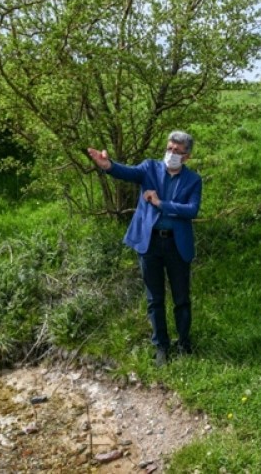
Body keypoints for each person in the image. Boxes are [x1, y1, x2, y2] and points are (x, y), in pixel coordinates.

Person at [87, 131, 202, 367]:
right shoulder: (150, 168)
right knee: (154, 298)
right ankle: (161, 345)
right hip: (149, 243)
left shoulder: (193, 180)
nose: (171, 154)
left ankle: (184, 343)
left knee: (181, 298)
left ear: (186, 157)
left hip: (176, 244)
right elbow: (127, 172)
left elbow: (192, 210)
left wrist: (161, 203)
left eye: (177, 152)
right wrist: (107, 165)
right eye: (169, 149)